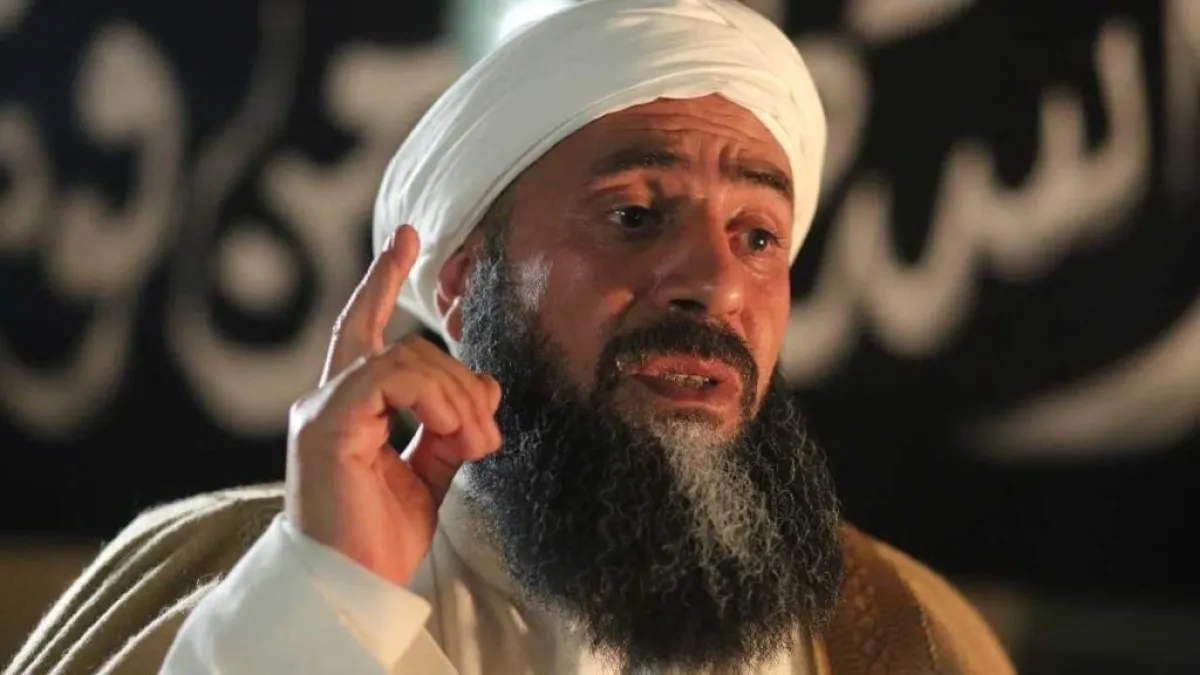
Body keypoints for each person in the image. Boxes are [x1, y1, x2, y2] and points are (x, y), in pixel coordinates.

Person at [5, 0, 1016, 673]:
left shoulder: (908, 635)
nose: (715, 283)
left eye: (758, 236)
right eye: (633, 214)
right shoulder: (204, 575)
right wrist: (327, 594)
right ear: (461, 287)